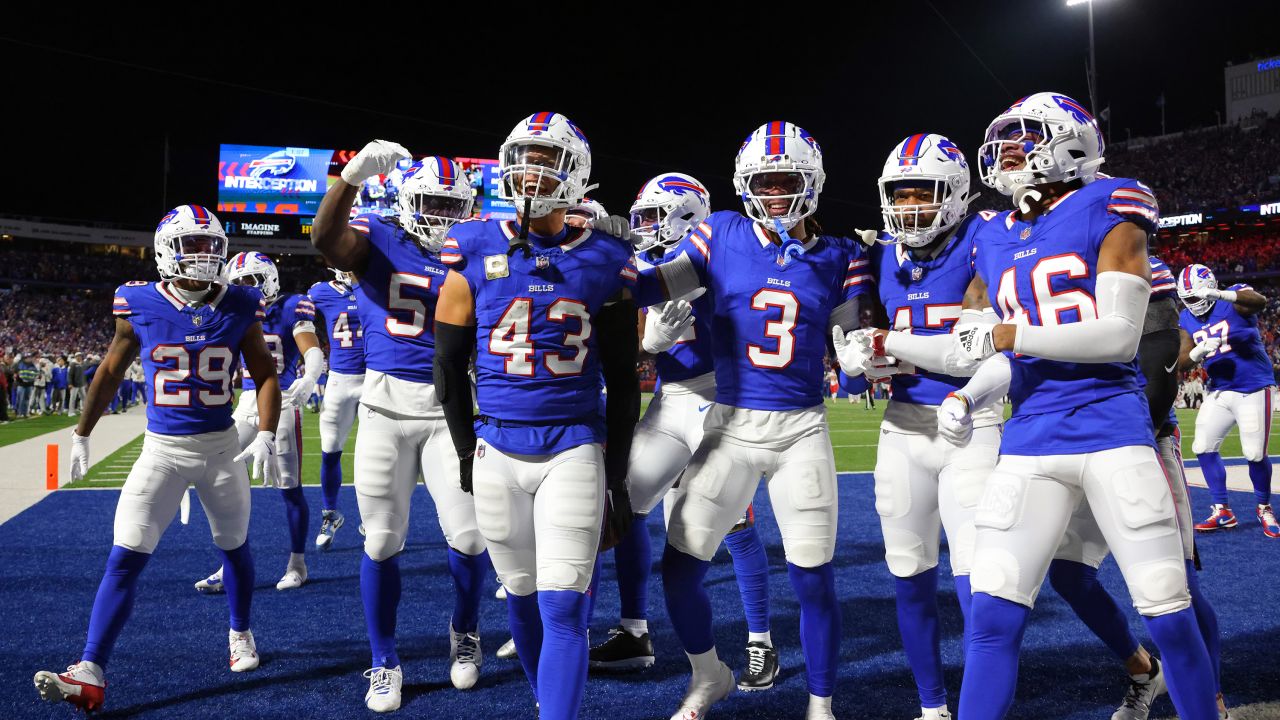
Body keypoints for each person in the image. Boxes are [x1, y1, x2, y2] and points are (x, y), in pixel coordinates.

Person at [940, 91, 1219, 720]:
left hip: (1112, 431)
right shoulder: (995, 234)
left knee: (1168, 614)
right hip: (1031, 440)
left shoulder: (1109, 203)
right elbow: (1004, 353)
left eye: (1024, 137)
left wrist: (1008, 334)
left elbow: (1119, 337)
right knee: (990, 614)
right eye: (1004, 139)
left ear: (1068, 143)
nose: (1007, 151)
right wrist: (969, 391)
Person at [631, 121, 869, 720]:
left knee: (814, 580)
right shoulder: (721, 234)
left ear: (811, 184)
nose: (776, 195)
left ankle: (821, 705)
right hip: (730, 426)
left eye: (787, 182)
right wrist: (629, 293)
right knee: (680, 571)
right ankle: (710, 674)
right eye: (765, 183)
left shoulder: (842, 256)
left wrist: (861, 361)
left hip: (801, 431)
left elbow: (856, 360)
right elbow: (656, 283)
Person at [434, 112, 641, 720]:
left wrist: (619, 475)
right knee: (521, 597)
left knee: (563, 606)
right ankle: (545, 698)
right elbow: (447, 367)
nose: (530, 171)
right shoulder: (472, 242)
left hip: (574, 445)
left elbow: (625, 378)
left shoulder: (606, 256)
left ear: (573, 172)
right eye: (522, 156)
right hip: (496, 445)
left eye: (545, 159)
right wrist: (465, 449)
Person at [32, 204, 280, 712]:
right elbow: (109, 371)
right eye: (194, 245)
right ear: (167, 249)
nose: (206, 256)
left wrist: (270, 433)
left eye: (213, 246)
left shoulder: (240, 302)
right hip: (162, 451)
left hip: (221, 449)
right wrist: (81, 434)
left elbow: (265, 372)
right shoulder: (138, 301)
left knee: (233, 546)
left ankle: (240, 633)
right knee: (125, 554)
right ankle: (91, 670)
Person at [312, 147, 490, 710]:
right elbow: (325, 239)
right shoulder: (376, 234)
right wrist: (349, 179)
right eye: (431, 202)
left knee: (468, 537)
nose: (441, 214)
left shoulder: (479, 246)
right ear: (407, 201)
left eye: (451, 204)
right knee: (383, 539)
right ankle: (384, 659)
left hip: (450, 412)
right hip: (386, 408)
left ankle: (465, 632)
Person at [588, 172, 778, 690]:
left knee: (734, 523)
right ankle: (633, 631)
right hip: (673, 401)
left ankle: (760, 640)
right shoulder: (645, 266)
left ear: (689, 216)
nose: (646, 227)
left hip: (724, 398)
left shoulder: (722, 258)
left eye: (655, 216)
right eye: (642, 217)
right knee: (619, 503)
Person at [844, 133, 1000, 720]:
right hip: (903, 427)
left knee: (977, 577)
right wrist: (861, 360)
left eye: (923, 192)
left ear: (957, 193)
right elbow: (868, 349)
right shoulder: (882, 253)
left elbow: (969, 353)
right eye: (899, 193)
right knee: (908, 574)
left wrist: (889, 342)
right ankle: (932, 706)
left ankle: (980, 705)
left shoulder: (986, 238)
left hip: (971, 420)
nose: (909, 206)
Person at [194, 252, 324, 593]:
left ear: (269, 278)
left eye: (251, 281)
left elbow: (310, 348)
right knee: (221, 479)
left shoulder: (293, 305)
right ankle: (230, 565)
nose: (244, 289)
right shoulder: (235, 312)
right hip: (244, 405)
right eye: (237, 283)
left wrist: (311, 375)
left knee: (290, 488)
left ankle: (297, 563)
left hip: (281, 404)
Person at [1175, 264, 1278, 537]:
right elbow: (1182, 361)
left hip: (1253, 387)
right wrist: (1197, 353)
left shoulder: (1232, 297)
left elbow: (1259, 301)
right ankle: (1222, 510)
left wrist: (1220, 295)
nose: (1194, 303)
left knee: (1255, 453)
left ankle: (1264, 507)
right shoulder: (1186, 318)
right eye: (1189, 298)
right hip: (1219, 390)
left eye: (1198, 296)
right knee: (1203, 446)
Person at [307, 267, 366, 549]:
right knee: (330, 451)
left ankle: (375, 516)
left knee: (376, 454)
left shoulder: (380, 285)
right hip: (340, 381)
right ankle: (330, 514)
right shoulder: (321, 292)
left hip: (375, 379)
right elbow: (299, 325)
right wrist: (310, 372)